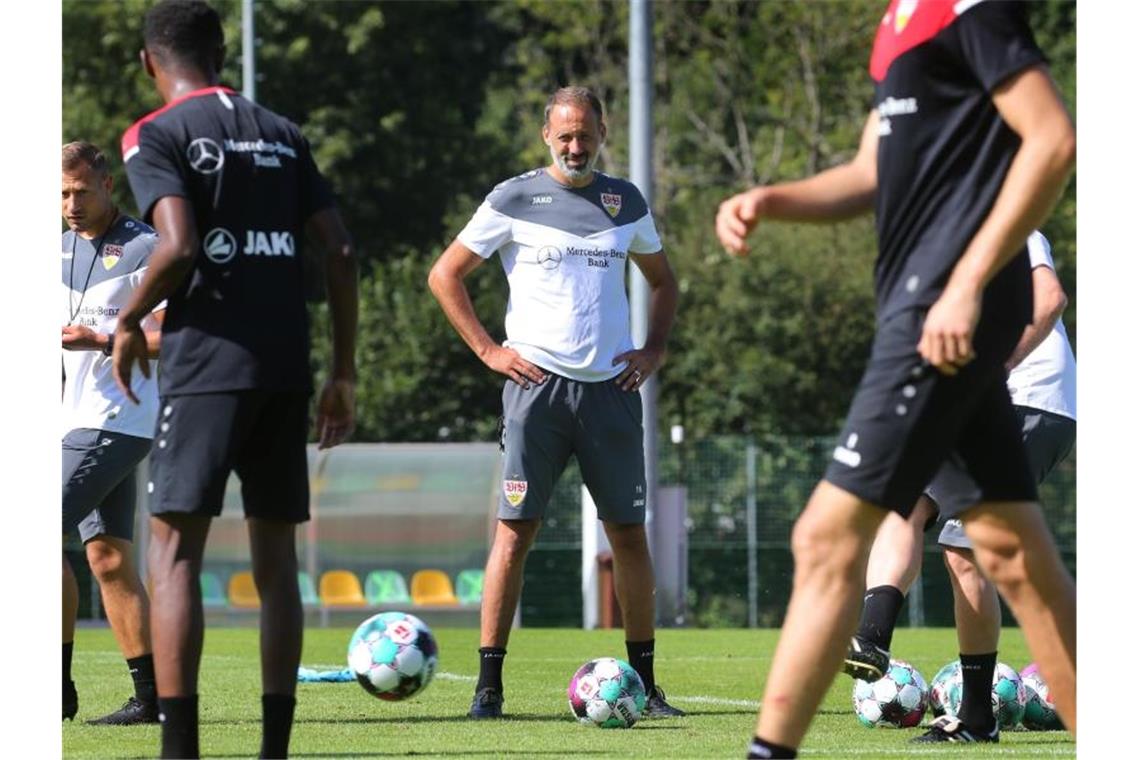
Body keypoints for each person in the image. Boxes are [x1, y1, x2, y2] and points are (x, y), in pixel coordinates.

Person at [714, 1, 1076, 756]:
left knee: (825, 538)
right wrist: (771, 200)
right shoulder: (896, 26)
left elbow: (1052, 139)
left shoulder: (967, 8)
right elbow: (869, 174)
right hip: (931, 311)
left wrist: (966, 283)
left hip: (938, 316)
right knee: (1016, 559)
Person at [111, 2, 358, 757]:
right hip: (286, 367)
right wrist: (343, 373)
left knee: (173, 555)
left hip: (207, 368)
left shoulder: (155, 133)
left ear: (149, 63)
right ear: (221, 53)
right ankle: (273, 750)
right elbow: (341, 252)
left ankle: (180, 749)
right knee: (276, 564)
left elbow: (178, 244)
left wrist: (128, 317)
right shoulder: (284, 132)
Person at [429, 86, 683, 720]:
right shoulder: (513, 198)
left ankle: (647, 686)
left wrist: (652, 350)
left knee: (629, 536)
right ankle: (488, 688)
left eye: (585, 135)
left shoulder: (626, 201)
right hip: (535, 393)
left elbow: (663, 282)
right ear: (547, 135)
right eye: (565, 135)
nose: (575, 146)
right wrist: (489, 351)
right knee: (515, 534)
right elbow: (444, 274)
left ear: (602, 134)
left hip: (611, 394)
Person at [843, 230, 1076, 743]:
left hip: (1028, 401)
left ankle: (976, 716)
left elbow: (1050, 298)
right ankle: (872, 638)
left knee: (963, 549)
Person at [62, 141, 165, 726]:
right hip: (71, 420)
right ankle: (150, 700)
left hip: (117, 420)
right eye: (61, 194)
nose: (71, 204)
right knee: (106, 558)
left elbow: (173, 337)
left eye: (81, 190)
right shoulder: (55, 250)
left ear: (107, 185)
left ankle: (53, 687)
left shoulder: (147, 247)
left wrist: (102, 341)